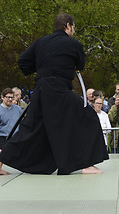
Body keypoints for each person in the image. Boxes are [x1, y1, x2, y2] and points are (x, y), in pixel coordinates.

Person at [0, 12, 108, 175]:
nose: (74, 31)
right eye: (73, 27)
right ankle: (86, 164)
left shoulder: (40, 42)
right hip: (60, 90)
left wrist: (44, 68)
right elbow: (80, 65)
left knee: (30, 128)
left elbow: (23, 62)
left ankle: (0, 162)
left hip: (41, 90)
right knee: (88, 117)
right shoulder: (73, 44)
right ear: (68, 26)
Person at [0, 88, 23, 174]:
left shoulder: (18, 109)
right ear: (2, 97)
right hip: (3, 137)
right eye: (8, 97)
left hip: (16, 136)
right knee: (3, 152)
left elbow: (23, 121)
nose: (10, 99)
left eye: (11, 97)